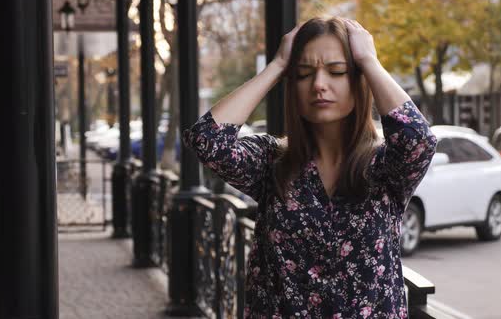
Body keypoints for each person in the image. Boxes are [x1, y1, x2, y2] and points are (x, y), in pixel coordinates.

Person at [182, 17, 437, 318]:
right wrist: (277, 66)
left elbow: (418, 139)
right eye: (303, 74)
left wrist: (369, 61)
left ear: (358, 81)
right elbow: (205, 139)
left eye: (337, 71)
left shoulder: (384, 167)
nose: (318, 84)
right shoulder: (270, 162)